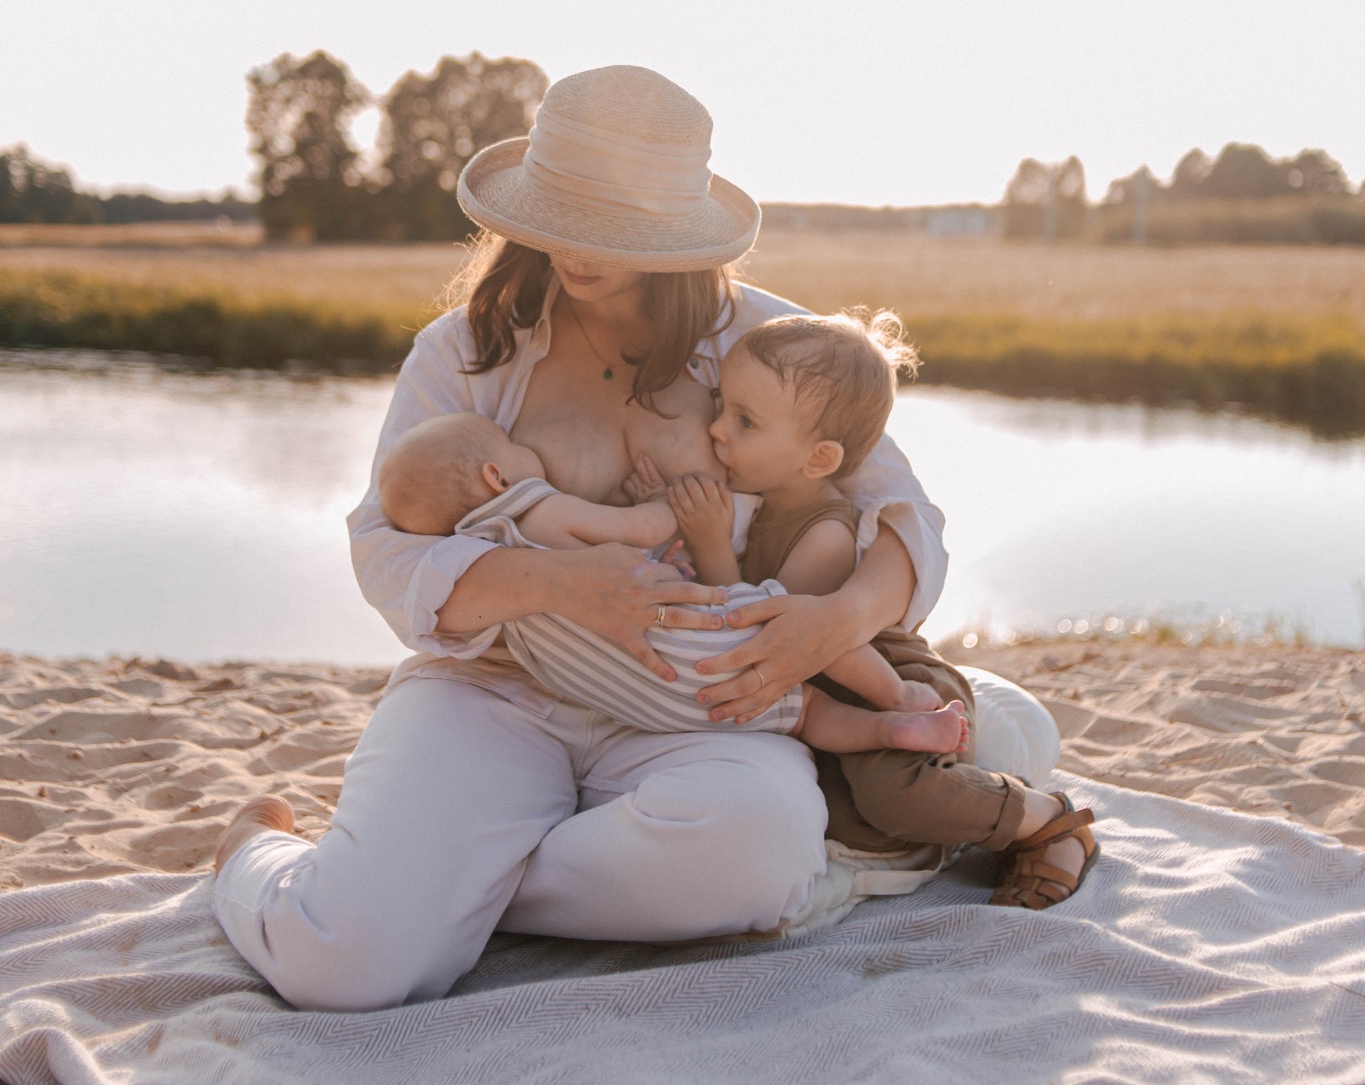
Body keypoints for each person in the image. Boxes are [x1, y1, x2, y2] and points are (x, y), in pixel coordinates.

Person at [212, 65, 1092, 1014]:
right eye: (555, 216)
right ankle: (256, 854)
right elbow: (385, 551)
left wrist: (828, 623)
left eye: (608, 226)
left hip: (706, 698)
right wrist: (556, 585)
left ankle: (458, 889)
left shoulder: (760, 341)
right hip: (497, 691)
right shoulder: (463, 352)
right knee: (343, 968)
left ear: (674, 227)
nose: (573, 250)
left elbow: (901, 516)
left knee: (758, 851)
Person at [373, 350, 970, 756]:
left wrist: (847, 613)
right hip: (671, 648)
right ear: (497, 475)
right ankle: (895, 708)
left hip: (626, 684)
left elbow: (907, 515)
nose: (718, 431)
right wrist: (672, 509)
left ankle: (895, 725)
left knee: (804, 712)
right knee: (802, 683)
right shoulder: (532, 496)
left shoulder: (768, 347)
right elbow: (633, 531)